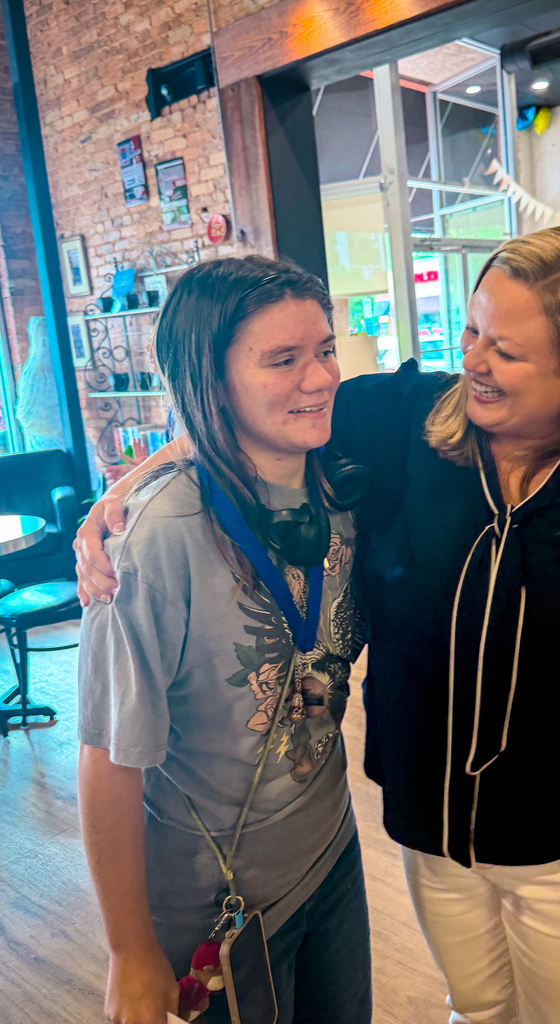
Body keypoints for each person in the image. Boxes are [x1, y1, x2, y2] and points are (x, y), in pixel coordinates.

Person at [77, 226, 560, 1024]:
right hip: (426, 825)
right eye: (469, 332)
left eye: (506, 350)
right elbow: (236, 412)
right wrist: (118, 492)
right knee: (476, 1005)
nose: (473, 361)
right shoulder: (404, 420)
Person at [77, 256, 371, 1024]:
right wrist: (128, 949)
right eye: (283, 360)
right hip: (218, 899)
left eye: (325, 349)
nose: (320, 377)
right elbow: (108, 759)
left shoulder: (341, 481)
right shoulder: (154, 540)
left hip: (329, 851)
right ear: (211, 384)